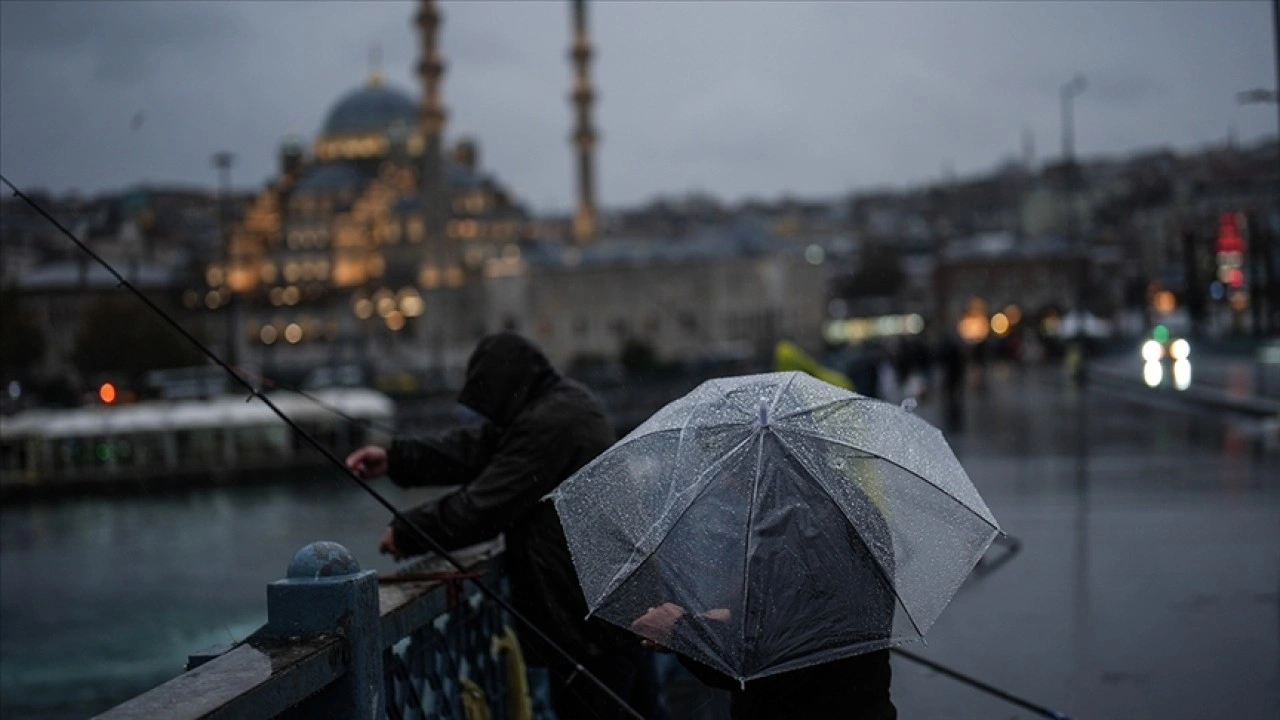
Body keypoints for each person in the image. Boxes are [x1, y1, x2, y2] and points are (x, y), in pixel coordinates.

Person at [346, 332, 667, 720]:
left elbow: (484, 506)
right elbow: (480, 448)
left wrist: (406, 532)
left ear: (504, 385)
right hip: (613, 609)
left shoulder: (552, 422)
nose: (488, 415)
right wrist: (397, 459)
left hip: (590, 626)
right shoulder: (559, 406)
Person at [626, 447, 897, 720]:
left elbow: (772, 661)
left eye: (731, 466)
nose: (726, 481)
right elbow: (808, 620)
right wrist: (734, 618)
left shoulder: (801, 529)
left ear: (757, 462)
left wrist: (678, 629)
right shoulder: (832, 502)